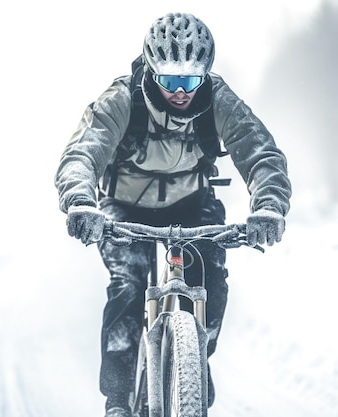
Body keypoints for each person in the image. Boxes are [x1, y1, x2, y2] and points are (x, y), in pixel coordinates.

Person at [54, 12, 292, 417]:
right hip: (124, 207)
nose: (180, 93)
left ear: (205, 74)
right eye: (169, 81)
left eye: (190, 81)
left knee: (212, 284)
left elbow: (261, 153)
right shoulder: (121, 100)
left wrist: (269, 205)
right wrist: (80, 200)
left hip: (191, 204)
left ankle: (194, 359)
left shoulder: (218, 100)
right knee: (127, 288)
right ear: (151, 70)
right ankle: (117, 399)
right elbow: (82, 153)